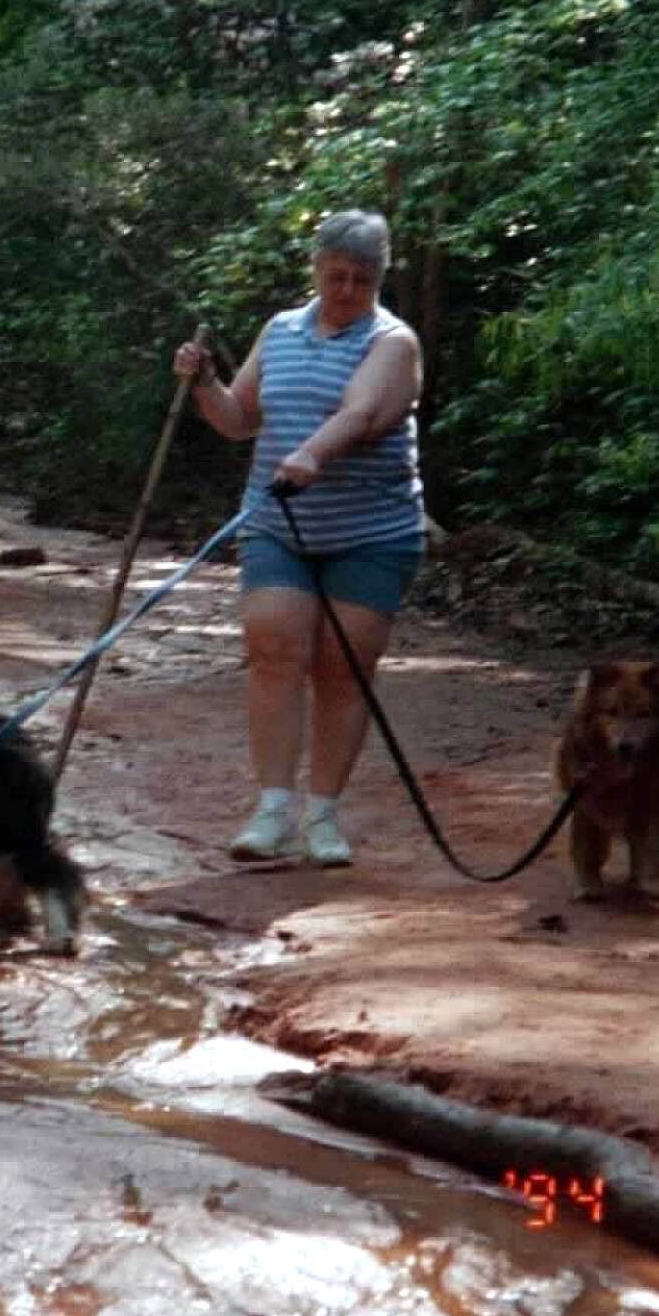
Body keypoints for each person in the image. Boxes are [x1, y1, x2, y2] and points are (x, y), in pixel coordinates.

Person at [172, 209, 424, 867]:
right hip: (277, 521)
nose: (345, 291)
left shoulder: (392, 342)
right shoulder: (281, 330)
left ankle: (323, 815)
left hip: (371, 532)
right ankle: (272, 809)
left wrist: (312, 454)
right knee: (274, 644)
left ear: (378, 280)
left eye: (361, 281)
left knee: (343, 669)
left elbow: (363, 411)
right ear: (315, 269)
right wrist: (202, 384)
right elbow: (237, 419)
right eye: (335, 275)